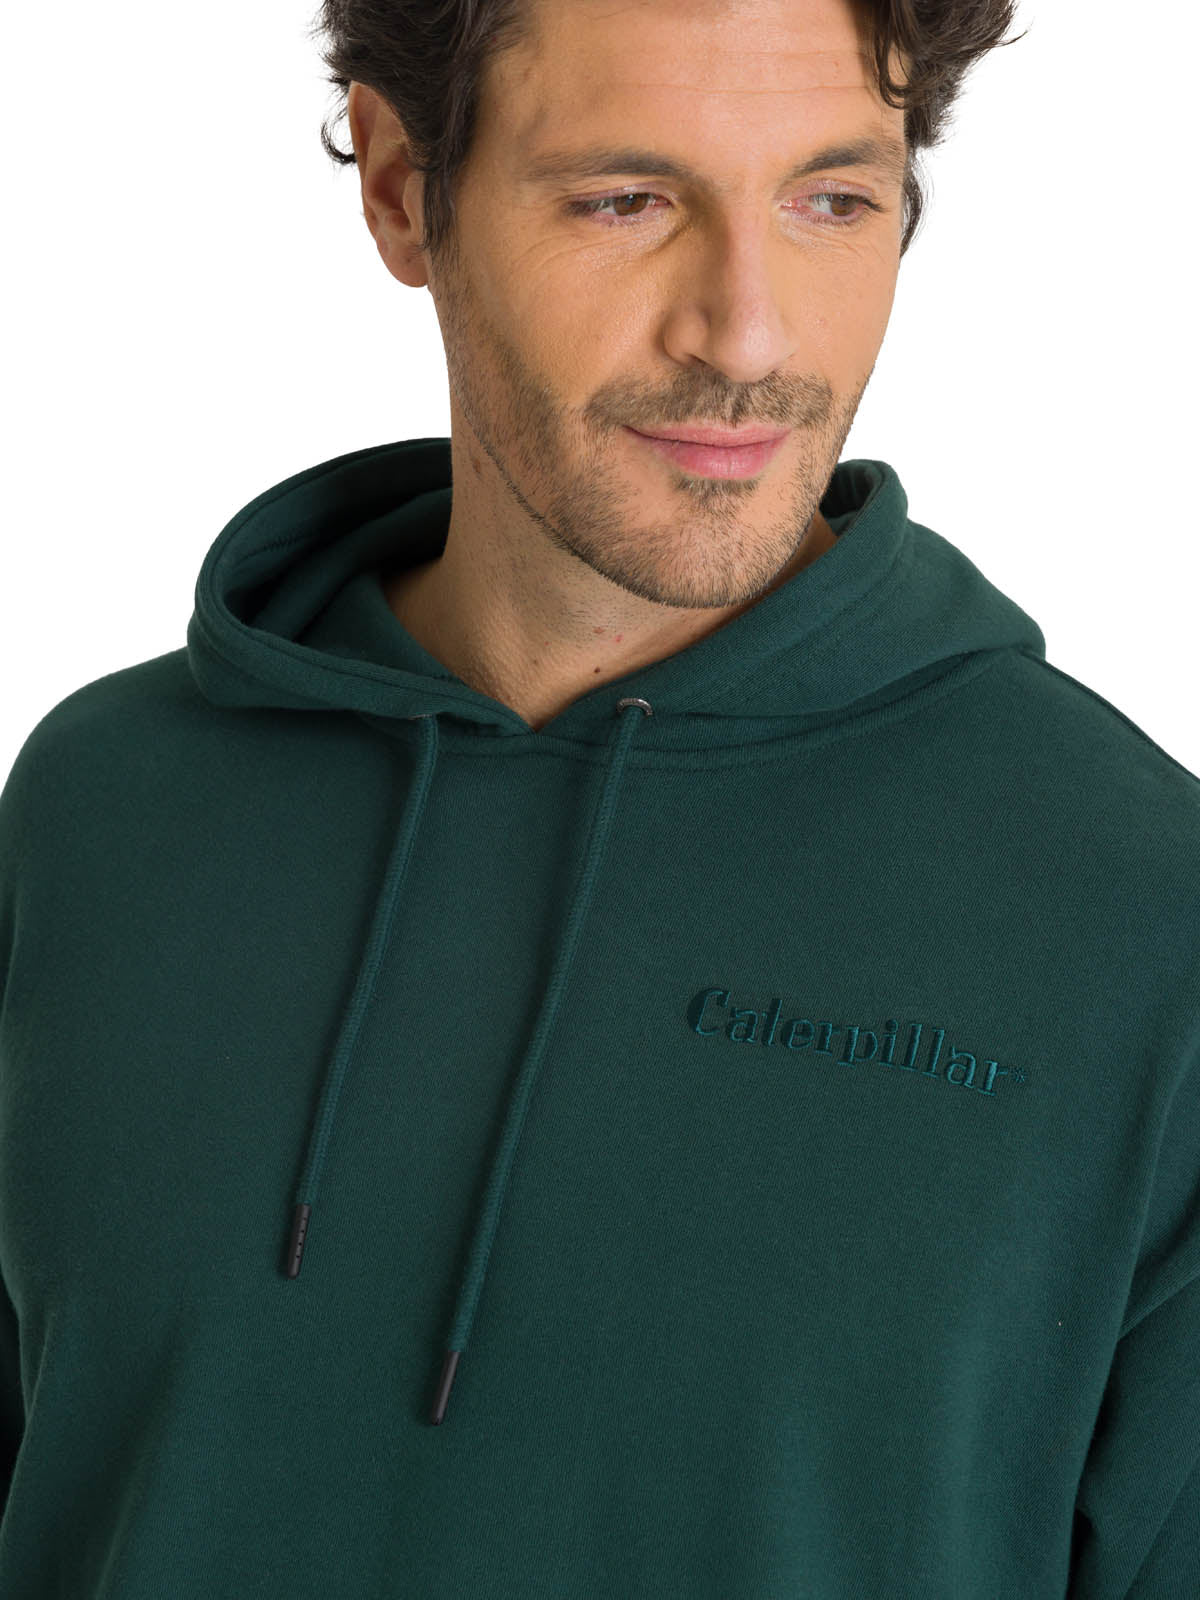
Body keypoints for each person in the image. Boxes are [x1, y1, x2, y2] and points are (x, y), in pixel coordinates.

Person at [0, 0, 1196, 1593]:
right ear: (401, 187)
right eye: (628, 200)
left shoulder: (1142, 916)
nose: (747, 336)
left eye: (835, 198)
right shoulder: (97, 816)